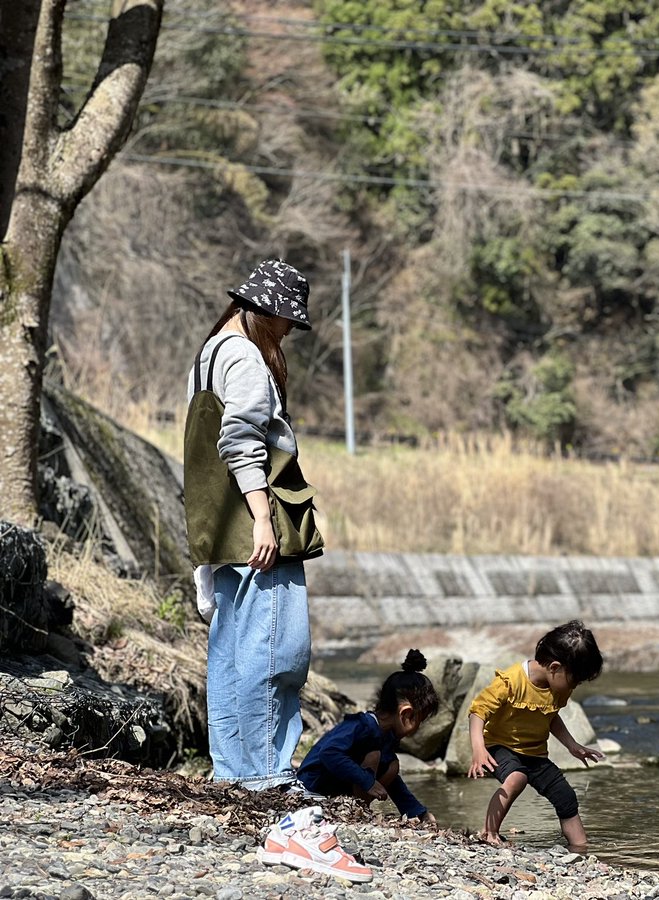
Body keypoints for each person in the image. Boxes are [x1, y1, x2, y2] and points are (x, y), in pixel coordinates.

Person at [184, 259, 318, 791]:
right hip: (257, 527)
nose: (288, 329)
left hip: (222, 528)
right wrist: (264, 519)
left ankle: (234, 774)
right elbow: (240, 441)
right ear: (261, 311)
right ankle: (266, 774)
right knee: (275, 653)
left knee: (231, 654)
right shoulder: (244, 358)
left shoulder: (210, 352)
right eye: (286, 319)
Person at [467, 620, 605, 851]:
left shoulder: (558, 687)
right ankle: (489, 833)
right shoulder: (511, 682)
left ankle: (581, 848)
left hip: (535, 754)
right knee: (516, 778)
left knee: (566, 796)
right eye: (575, 680)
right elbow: (477, 713)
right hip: (498, 747)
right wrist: (478, 749)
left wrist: (572, 745)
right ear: (554, 668)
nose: (574, 687)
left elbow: (551, 717)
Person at [296, 650, 441, 825]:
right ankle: (356, 810)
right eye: (420, 720)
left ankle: (357, 809)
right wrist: (367, 782)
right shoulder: (360, 726)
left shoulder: (386, 736)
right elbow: (330, 753)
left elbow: (393, 783)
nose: (419, 727)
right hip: (312, 789)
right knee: (375, 757)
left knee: (392, 765)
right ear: (406, 714)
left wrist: (418, 813)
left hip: (333, 792)